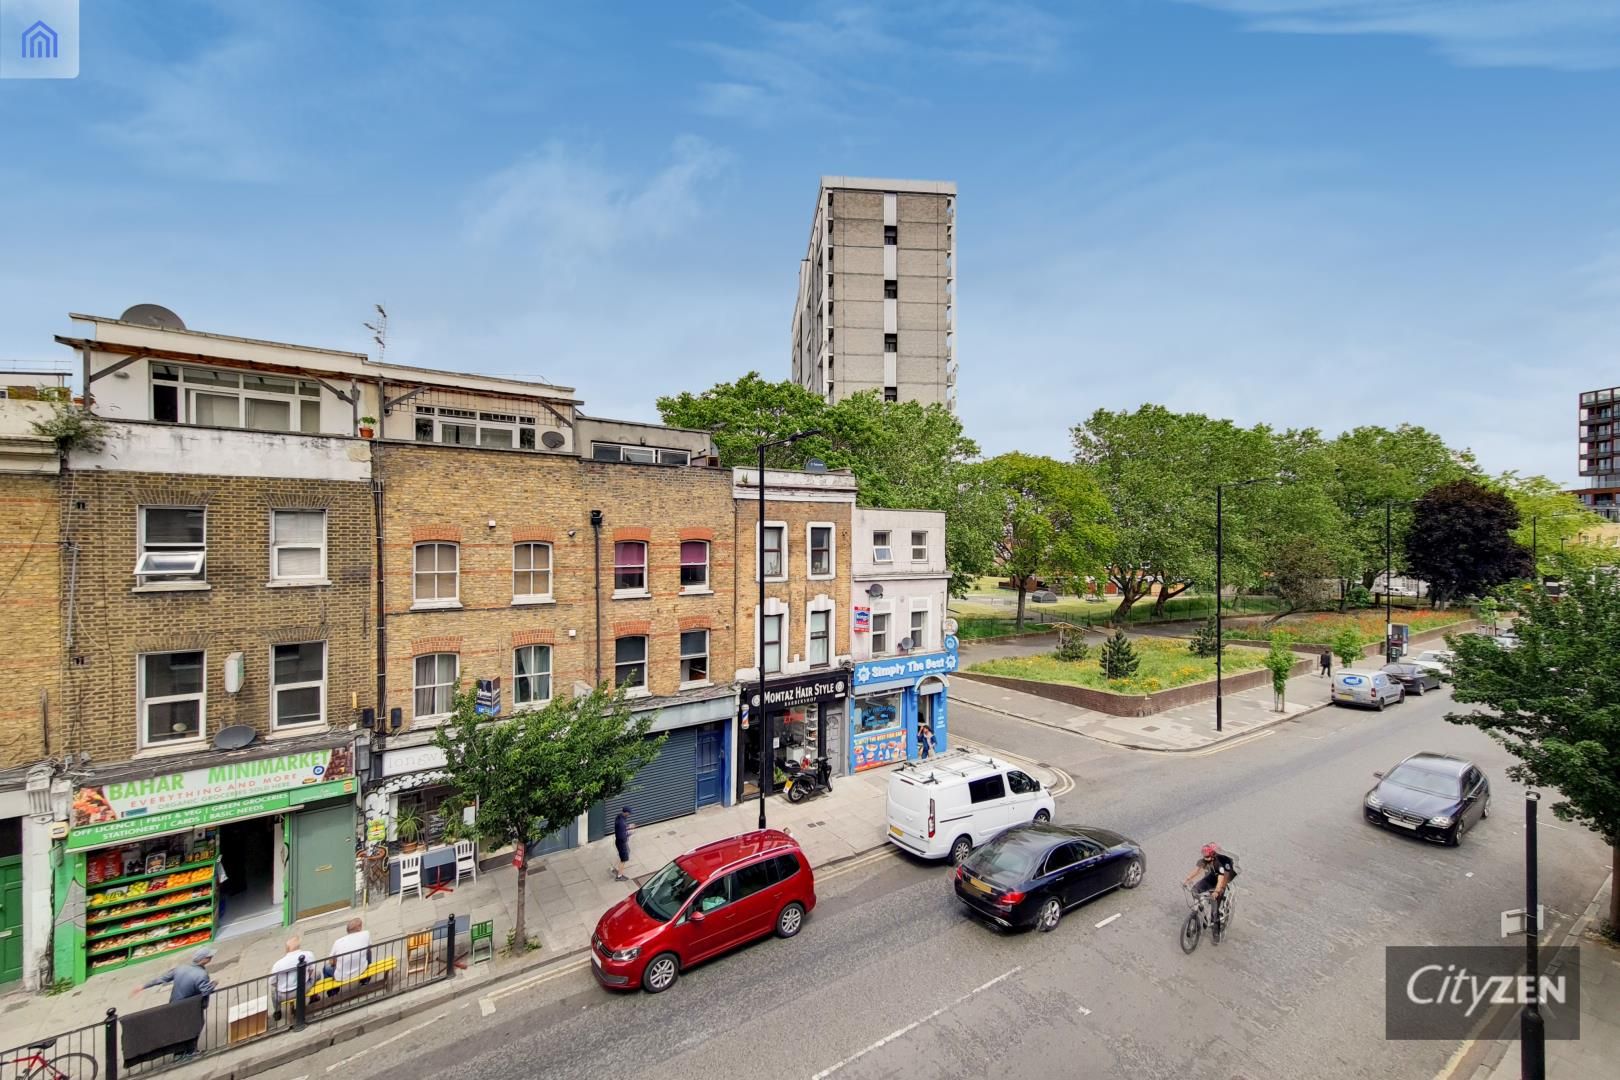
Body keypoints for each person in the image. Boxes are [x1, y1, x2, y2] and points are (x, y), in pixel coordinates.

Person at [131, 947, 216, 1057]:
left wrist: (143, 986)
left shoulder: (180, 968)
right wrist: (213, 984)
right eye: (209, 957)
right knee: (194, 1027)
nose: (211, 958)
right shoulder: (201, 975)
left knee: (179, 1028)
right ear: (204, 959)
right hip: (191, 1007)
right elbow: (206, 991)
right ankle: (190, 1052)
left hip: (175, 1003)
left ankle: (179, 1052)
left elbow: (162, 979)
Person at [1182, 843, 1238, 932]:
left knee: (1215, 911)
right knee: (1195, 890)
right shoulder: (1205, 860)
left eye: (1207, 856)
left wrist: (1216, 891)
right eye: (1204, 855)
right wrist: (1187, 880)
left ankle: (1216, 934)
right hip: (1211, 877)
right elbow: (1196, 871)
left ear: (1212, 855)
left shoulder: (1218, 864)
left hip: (1221, 880)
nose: (1205, 858)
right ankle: (1201, 908)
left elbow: (1221, 880)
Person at [270, 936, 315, 1017]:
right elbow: (312, 970)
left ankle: (277, 1011)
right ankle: (314, 997)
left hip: (284, 994)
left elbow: (272, 982)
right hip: (304, 988)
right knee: (317, 974)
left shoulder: (278, 964)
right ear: (299, 946)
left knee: (273, 991)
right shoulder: (308, 955)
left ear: (287, 949)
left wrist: (281, 986)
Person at [611, 806, 633, 882]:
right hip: (622, 843)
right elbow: (622, 836)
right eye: (629, 813)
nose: (629, 814)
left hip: (619, 842)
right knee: (624, 859)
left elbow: (621, 829)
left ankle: (613, 868)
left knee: (626, 852)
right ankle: (619, 876)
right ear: (626, 812)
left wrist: (628, 827)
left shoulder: (619, 817)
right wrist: (629, 833)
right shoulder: (621, 823)